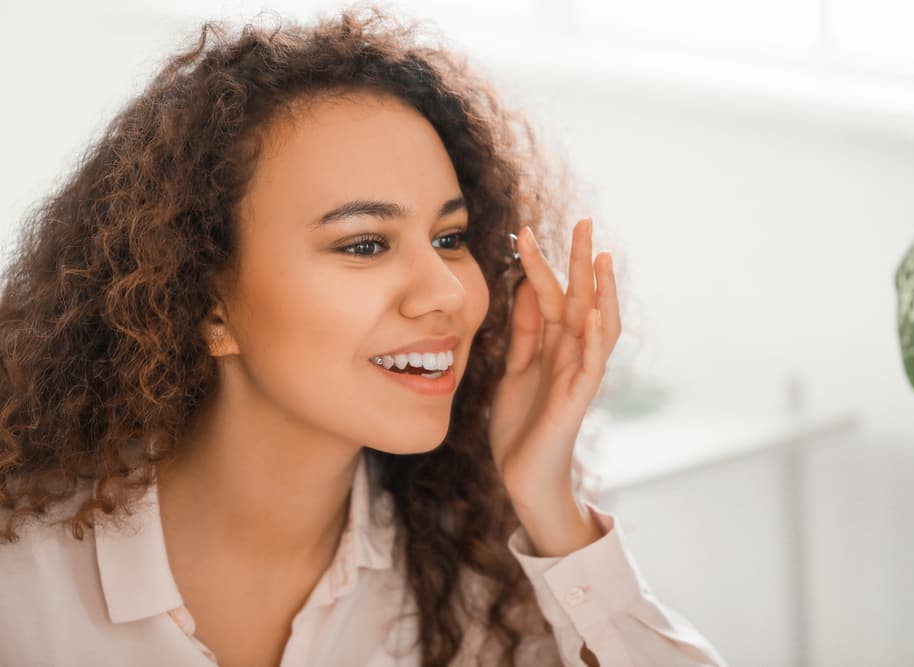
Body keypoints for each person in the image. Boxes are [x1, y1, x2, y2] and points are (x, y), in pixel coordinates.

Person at [0, 6, 727, 666]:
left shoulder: (469, 571)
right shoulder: (22, 571)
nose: (448, 293)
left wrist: (548, 503)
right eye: (364, 245)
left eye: (450, 237)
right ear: (206, 305)